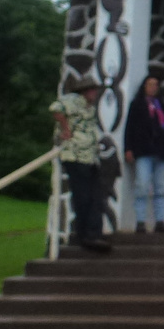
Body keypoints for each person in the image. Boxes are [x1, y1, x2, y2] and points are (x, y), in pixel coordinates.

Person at [49, 76, 110, 253]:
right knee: (83, 195)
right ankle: (86, 235)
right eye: (93, 90)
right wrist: (66, 129)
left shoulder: (88, 107)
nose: (95, 94)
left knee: (94, 195)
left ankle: (93, 234)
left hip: (89, 157)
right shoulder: (73, 100)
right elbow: (55, 108)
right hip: (75, 155)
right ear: (86, 90)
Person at [124, 72, 164, 234]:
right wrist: (128, 148)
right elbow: (130, 127)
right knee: (142, 185)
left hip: (161, 150)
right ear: (144, 87)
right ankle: (140, 221)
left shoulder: (162, 105)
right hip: (144, 150)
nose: (153, 88)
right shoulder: (137, 104)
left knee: (160, 187)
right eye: (150, 85)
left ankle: (160, 220)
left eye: (156, 85)